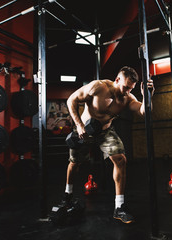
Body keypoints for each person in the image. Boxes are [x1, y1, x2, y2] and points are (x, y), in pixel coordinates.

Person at [63, 66, 154, 224]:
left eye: (130, 88)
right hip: (84, 131)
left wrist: (148, 96)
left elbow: (144, 111)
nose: (126, 91)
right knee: (74, 164)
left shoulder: (127, 98)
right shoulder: (98, 87)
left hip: (105, 133)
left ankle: (119, 207)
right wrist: (78, 125)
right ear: (117, 80)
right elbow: (72, 99)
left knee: (121, 159)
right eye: (125, 87)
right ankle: (68, 195)